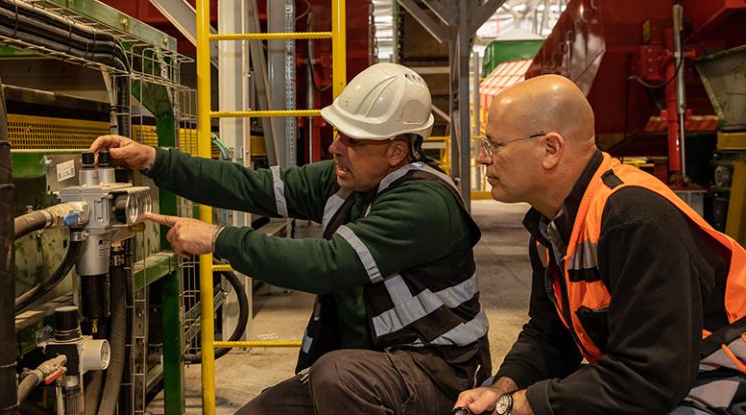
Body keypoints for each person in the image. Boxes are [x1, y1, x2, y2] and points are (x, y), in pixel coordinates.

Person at [91, 62, 491, 414]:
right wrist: (154, 160)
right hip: (372, 363)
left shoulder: (424, 203)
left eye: (352, 140)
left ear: (396, 151)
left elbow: (327, 265)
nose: (336, 147)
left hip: (438, 372)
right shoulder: (348, 181)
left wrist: (219, 238)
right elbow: (252, 186)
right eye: (338, 134)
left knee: (336, 376)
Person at [454, 74, 746, 415]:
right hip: (665, 378)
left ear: (551, 149)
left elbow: (649, 379)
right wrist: (502, 388)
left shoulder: (633, 218)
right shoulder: (553, 229)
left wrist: (519, 404)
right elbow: (550, 336)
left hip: (725, 379)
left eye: (494, 145)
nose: (482, 159)